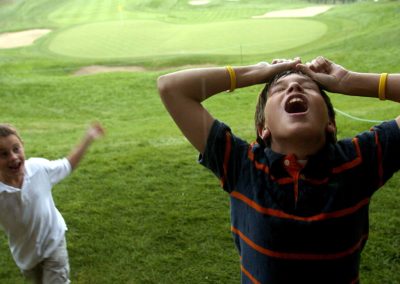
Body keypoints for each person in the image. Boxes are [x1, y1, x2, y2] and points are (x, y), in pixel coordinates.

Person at [157, 56, 400, 283]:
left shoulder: (360, 160)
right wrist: (258, 73)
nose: (294, 87)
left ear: (330, 124)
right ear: (263, 128)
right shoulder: (241, 165)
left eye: (308, 86)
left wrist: (350, 81)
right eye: (280, 89)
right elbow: (172, 87)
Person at [0, 122, 105, 284]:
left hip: (53, 241)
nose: (13, 157)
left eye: (16, 149)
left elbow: (67, 164)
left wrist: (88, 138)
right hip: (26, 255)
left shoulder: (38, 169)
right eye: (3, 154)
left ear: (23, 146)